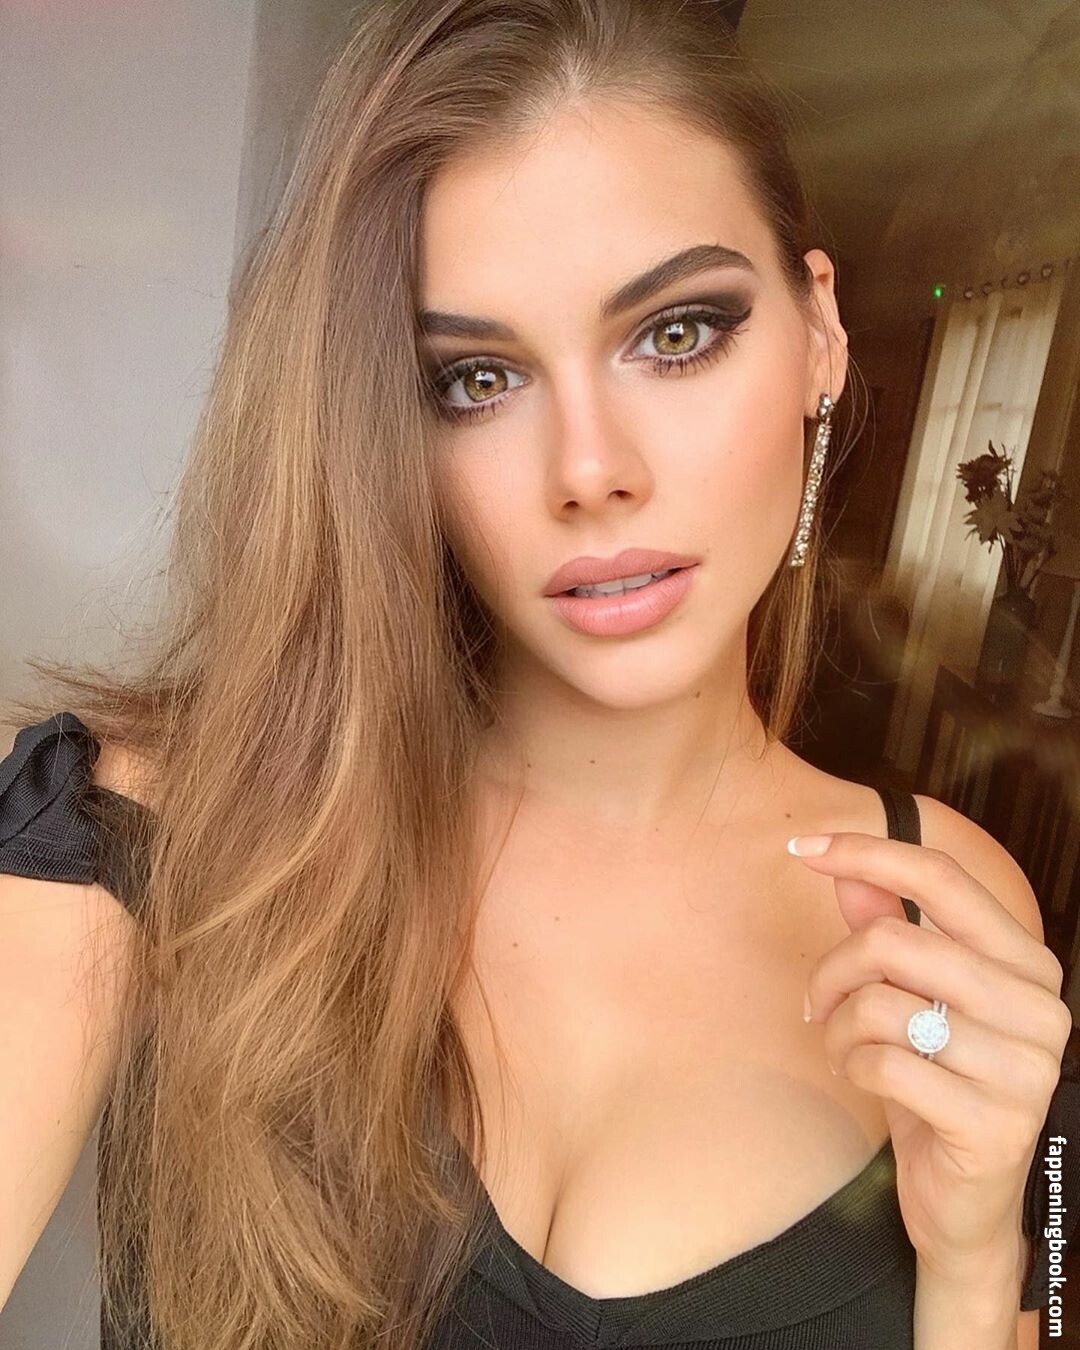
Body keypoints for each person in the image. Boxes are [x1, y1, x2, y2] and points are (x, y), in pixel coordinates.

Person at [0, 3, 1076, 1348]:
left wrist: (975, 1264)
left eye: (675, 335)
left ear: (820, 333)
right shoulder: (141, 834)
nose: (590, 468)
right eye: (478, 379)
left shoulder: (947, 900)